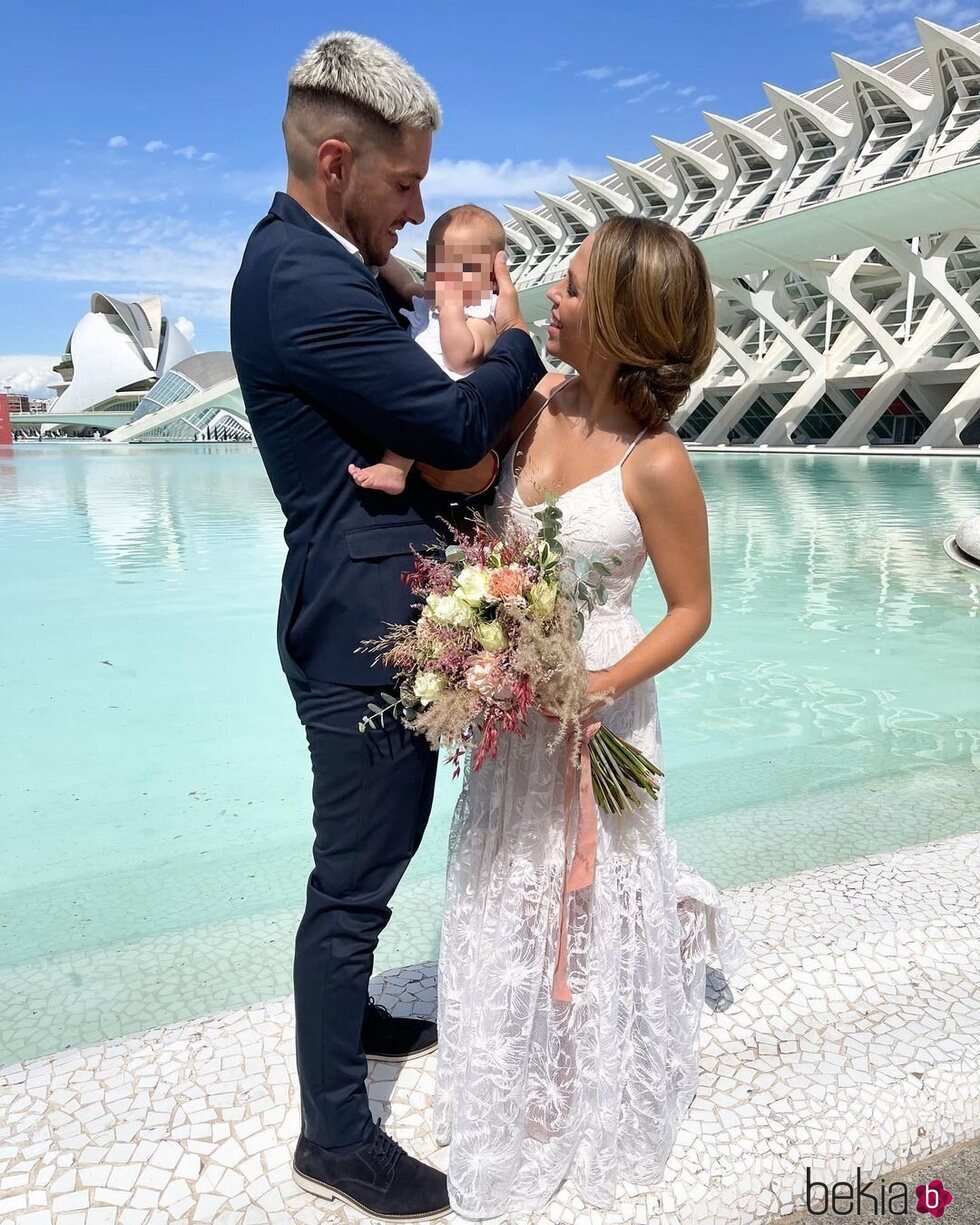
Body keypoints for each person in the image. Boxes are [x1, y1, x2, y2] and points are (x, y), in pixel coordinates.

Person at [229, 30, 545, 1223]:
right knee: (353, 880)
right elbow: (462, 426)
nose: (418, 214)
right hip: (359, 618)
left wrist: (404, 280)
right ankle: (335, 1136)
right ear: (333, 162)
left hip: (367, 601)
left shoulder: (310, 260)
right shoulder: (304, 282)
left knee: (375, 852)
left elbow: (392, 309)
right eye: (404, 184)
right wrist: (513, 340)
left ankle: (350, 1019)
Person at [433, 216, 748, 1219]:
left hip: (602, 695)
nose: (549, 303)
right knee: (516, 870)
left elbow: (692, 610)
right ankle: (523, 1039)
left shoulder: (656, 463)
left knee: (591, 876)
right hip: (522, 688)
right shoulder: (530, 406)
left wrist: (601, 690)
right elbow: (459, 397)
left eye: (568, 291)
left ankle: (582, 1064)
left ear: (614, 314)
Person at [350, 204, 505, 495]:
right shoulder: (429, 299)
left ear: (491, 278)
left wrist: (451, 310)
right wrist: (377, 256)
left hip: (445, 403)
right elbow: (404, 281)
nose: (448, 278)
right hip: (413, 390)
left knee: (414, 416)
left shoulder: (483, 314)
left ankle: (396, 469)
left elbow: (461, 358)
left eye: (463, 269)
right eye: (440, 266)